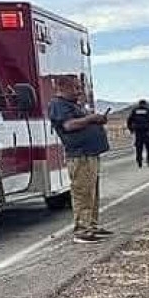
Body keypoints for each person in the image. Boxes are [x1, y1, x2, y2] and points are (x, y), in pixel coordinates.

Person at [48, 76, 111, 244]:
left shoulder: (74, 105)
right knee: (82, 193)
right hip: (80, 155)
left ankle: (91, 225)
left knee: (92, 193)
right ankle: (82, 231)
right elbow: (69, 125)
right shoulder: (58, 105)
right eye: (76, 88)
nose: (80, 91)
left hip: (90, 154)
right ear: (63, 88)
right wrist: (91, 119)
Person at [127, 99, 149, 167]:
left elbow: (129, 121)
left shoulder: (135, 111)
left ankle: (139, 162)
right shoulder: (148, 110)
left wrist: (131, 129)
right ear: (145, 104)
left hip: (138, 132)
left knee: (139, 148)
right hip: (147, 132)